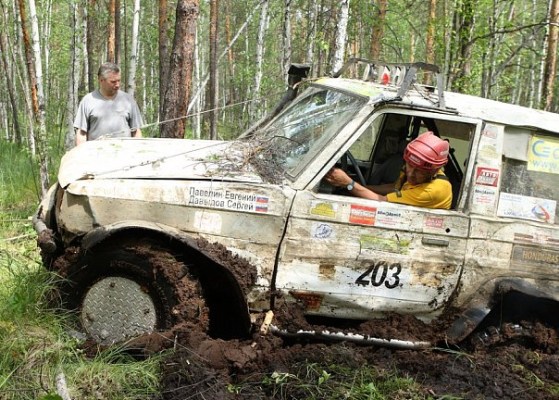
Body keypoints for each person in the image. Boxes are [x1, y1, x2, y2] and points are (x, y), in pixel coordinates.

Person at [325, 131, 452, 209]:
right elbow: (395, 188)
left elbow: (382, 202)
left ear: (434, 171)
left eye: (419, 171)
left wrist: (348, 184)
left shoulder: (434, 191)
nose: (411, 174)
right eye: (409, 165)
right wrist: (362, 187)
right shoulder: (416, 165)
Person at [74, 62, 143, 146]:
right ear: (101, 80)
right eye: (113, 82)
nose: (117, 85)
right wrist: (81, 152)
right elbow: (81, 133)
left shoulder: (128, 100)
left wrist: (137, 150)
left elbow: (136, 131)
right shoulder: (88, 101)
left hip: (124, 152)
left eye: (119, 80)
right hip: (96, 152)